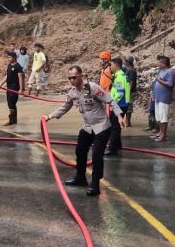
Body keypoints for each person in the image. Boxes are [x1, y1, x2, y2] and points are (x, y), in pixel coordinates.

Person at [45, 66, 126, 196]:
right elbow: (64, 107)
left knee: (96, 155)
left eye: (74, 77)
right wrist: (49, 116)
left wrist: (119, 116)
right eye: (69, 78)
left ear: (81, 76)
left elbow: (110, 99)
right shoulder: (72, 93)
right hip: (88, 127)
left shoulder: (92, 87)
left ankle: (95, 184)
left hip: (102, 127)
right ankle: (80, 178)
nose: (71, 80)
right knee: (80, 150)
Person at [105, 57, 130, 156]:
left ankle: (112, 149)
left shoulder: (120, 77)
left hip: (119, 104)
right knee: (116, 126)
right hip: (122, 104)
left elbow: (119, 93)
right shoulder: (120, 75)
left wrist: (112, 103)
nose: (110, 67)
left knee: (114, 127)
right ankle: (118, 145)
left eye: (111, 65)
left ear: (115, 65)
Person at [151, 55, 175, 142]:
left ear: (164, 64)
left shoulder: (170, 72)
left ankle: (163, 135)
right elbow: (156, 83)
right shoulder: (160, 71)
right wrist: (153, 95)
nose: (158, 64)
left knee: (163, 117)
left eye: (160, 62)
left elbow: (170, 84)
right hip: (157, 97)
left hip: (164, 97)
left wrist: (160, 80)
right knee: (159, 117)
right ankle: (160, 132)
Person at [0, 50, 25, 126]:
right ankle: (14, 120)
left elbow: (20, 78)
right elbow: (7, 76)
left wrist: (21, 89)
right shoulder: (9, 65)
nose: (8, 58)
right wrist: (1, 83)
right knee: (11, 104)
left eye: (10, 57)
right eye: (8, 57)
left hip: (14, 88)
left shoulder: (18, 67)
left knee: (11, 103)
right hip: (9, 87)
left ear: (14, 58)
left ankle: (10, 120)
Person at [123, 54, 138, 127]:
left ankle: (128, 122)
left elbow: (131, 82)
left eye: (124, 61)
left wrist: (127, 92)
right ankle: (127, 121)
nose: (123, 62)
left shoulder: (131, 70)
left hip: (130, 91)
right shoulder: (129, 69)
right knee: (127, 106)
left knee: (129, 107)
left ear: (128, 62)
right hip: (129, 91)